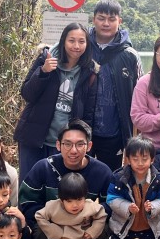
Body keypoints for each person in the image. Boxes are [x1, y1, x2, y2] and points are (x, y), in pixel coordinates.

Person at [18, 119, 113, 239]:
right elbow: (27, 202)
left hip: (84, 225)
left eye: (80, 144)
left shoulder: (101, 171)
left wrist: (90, 218)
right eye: (67, 144)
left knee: (103, 227)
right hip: (53, 224)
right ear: (58, 145)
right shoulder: (43, 167)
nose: (73, 150)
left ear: (89, 146)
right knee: (39, 231)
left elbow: (111, 204)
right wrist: (56, 220)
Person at [14, 22, 99, 179]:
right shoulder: (46, 59)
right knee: (29, 184)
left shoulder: (90, 72)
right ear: (63, 41)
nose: (76, 46)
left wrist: (83, 144)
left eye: (81, 41)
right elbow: (27, 94)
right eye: (71, 40)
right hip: (35, 138)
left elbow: (88, 114)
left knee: (60, 188)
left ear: (87, 44)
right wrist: (43, 71)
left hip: (65, 145)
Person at [87, 0, 142, 171]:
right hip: (82, 128)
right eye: (101, 18)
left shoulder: (130, 55)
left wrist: (134, 137)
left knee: (111, 178)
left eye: (111, 19)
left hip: (114, 132)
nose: (106, 23)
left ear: (120, 21)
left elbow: (140, 95)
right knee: (79, 179)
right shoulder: (82, 47)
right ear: (93, 19)